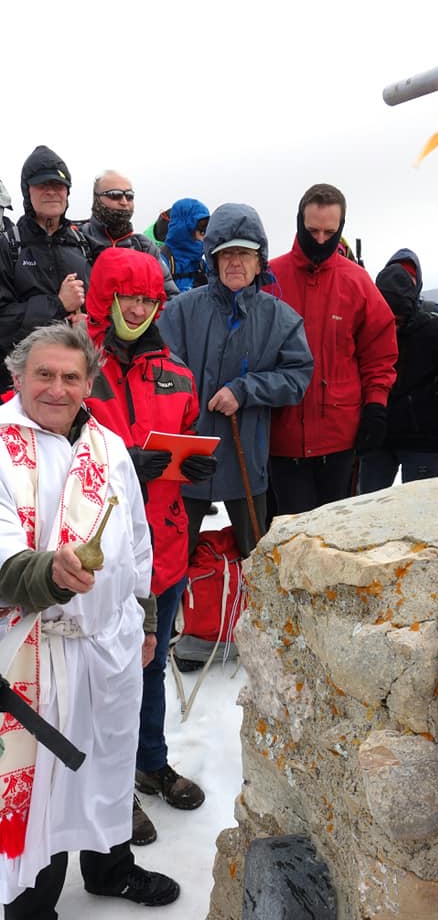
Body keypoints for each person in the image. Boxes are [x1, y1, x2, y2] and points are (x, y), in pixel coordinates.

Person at [0, 323, 180, 917]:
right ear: (17, 377)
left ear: (88, 384)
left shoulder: (108, 446)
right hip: (37, 650)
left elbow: (136, 540)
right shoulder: (2, 446)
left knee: (108, 762)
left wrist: (146, 620)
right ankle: (34, 906)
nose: (57, 389)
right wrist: (50, 572)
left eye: (70, 377)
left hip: (111, 643)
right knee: (45, 789)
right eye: (44, 375)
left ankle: (111, 870)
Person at [85, 246, 210, 846]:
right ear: (104, 298)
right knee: (101, 676)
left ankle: (150, 761)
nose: (137, 309)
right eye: (126, 297)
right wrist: (122, 464)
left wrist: (196, 467)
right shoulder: (75, 367)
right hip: (98, 553)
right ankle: (110, 787)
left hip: (165, 545)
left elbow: (185, 435)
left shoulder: (177, 372)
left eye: (147, 299)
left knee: (150, 664)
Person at [158, 202, 313, 558]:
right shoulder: (180, 311)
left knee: (254, 559)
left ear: (260, 261)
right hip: (186, 457)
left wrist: (244, 390)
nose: (235, 262)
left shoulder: (281, 319)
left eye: (245, 253)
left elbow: (297, 376)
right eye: (226, 254)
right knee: (172, 558)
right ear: (212, 259)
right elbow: (158, 370)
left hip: (247, 456)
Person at [266, 183, 397, 513]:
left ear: (341, 228)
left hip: (339, 437)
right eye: (313, 231)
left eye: (330, 232)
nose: (321, 240)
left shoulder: (358, 282)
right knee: (290, 530)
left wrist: (376, 406)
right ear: (299, 222)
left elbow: (379, 354)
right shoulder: (269, 279)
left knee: (334, 530)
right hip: (281, 436)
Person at [359, 259, 438, 491]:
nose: (393, 327)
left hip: (423, 438)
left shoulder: (434, 330)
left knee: (423, 506)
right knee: (367, 503)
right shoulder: (366, 328)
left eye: (398, 321)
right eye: (387, 320)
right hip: (378, 435)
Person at [0, 145, 90, 393]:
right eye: (42, 185)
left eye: (58, 185)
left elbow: (101, 313)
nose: (51, 191)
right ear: (27, 191)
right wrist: (57, 305)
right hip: (16, 386)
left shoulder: (83, 246)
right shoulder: (8, 246)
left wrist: (89, 324)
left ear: (67, 192)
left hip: (71, 382)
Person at [80, 170, 177, 297]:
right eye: (115, 195)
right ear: (96, 199)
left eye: (129, 196)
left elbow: (170, 297)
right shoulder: (77, 241)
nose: (124, 202)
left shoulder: (144, 247)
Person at [160, 197, 210, 291]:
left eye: (205, 230)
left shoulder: (203, 266)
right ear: (184, 229)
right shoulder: (161, 263)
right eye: (201, 228)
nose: (203, 237)